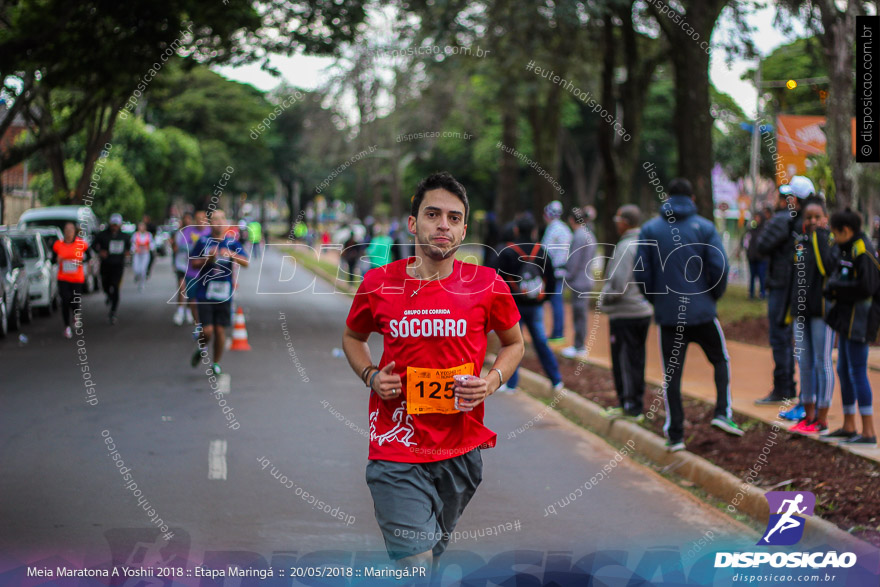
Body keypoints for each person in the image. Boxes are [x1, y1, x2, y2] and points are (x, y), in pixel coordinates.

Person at [341, 171, 524, 571]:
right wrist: (371, 375)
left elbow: (514, 343)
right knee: (416, 560)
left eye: (454, 218)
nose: (443, 225)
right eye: (433, 214)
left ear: (463, 229)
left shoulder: (488, 284)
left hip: (461, 450)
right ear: (413, 223)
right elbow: (352, 338)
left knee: (430, 557)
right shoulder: (378, 284)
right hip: (396, 445)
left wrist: (490, 382)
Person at [635, 178, 742, 452]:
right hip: (703, 312)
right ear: (692, 198)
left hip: (669, 316)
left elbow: (641, 273)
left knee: (672, 374)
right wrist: (711, 297)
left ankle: (676, 435)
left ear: (668, 198)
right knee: (720, 359)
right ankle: (722, 412)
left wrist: (658, 301)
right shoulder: (705, 227)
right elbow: (719, 266)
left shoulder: (650, 229)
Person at [755, 176, 814, 405]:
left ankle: (784, 388)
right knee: (794, 339)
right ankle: (793, 390)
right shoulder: (808, 220)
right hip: (798, 287)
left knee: (780, 336)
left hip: (782, 286)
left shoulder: (783, 220)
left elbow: (761, 246)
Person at [822, 208, 879, 446]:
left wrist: (836, 288)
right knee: (844, 370)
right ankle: (848, 425)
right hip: (846, 319)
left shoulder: (863, 250)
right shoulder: (849, 248)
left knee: (857, 371)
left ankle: (868, 431)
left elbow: (867, 287)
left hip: (860, 320)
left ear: (846, 231)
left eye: (835, 233)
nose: (834, 238)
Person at [497, 212, 564, 393]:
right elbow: (551, 278)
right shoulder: (542, 251)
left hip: (513, 307)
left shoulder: (508, 251)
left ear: (516, 230)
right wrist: (544, 298)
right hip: (535, 306)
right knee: (541, 342)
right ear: (534, 231)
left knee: (511, 344)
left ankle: (510, 384)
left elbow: (497, 279)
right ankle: (556, 380)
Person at [598, 205, 653, 420]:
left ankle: (630, 406)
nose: (616, 223)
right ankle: (635, 404)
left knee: (624, 360)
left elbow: (618, 285)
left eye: (618, 219)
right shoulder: (647, 243)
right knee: (637, 358)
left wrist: (603, 299)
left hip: (625, 312)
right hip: (643, 311)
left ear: (625, 222)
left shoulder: (625, 246)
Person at [787, 198, 837, 435]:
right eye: (809, 217)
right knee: (804, 363)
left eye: (818, 217)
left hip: (822, 312)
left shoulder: (829, 241)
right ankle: (809, 415)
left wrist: (819, 238)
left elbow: (828, 267)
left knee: (822, 362)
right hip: (801, 312)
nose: (813, 221)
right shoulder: (800, 243)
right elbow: (795, 279)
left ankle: (823, 418)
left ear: (825, 219)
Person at [189, 210, 249, 376]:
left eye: (222, 219)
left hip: (224, 293)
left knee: (220, 330)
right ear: (210, 223)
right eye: (215, 219)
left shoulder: (232, 243)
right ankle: (202, 347)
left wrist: (232, 255)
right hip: (205, 293)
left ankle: (216, 363)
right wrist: (208, 259)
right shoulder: (203, 242)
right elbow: (193, 264)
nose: (219, 222)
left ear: (226, 222)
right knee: (207, 331)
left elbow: (246, 262)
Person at [561, 207, 597, 359]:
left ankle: (579, 346)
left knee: (579, 315)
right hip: (587, 279)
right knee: (581, 314)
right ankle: (579, 344)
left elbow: (574, 261)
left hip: (579, 281)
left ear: (571, 220)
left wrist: (566, 276)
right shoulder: (589, 235)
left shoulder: (578, 236)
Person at [541, 200, 572, 344]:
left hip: (554, 272)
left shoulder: (553, 229)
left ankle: (557, 333)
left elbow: (546, 251)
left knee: (555, 302)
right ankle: (557, 332)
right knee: (557, 302)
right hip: (562, 270)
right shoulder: (565, 229)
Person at [92, 213, 131, 324]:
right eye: (113, 224)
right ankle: (108, 295)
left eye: (116, 225)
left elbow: (128, 248)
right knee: (105, 285)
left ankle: (113, 312)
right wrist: (100, 252)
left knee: (116, 287)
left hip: (118, 266)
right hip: (106, 265)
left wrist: (127, 253)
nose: (114, 227)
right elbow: (94, 245)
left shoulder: (124, 236)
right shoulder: (103, 235)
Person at [53, 222, 89, 338]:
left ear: (74, 231)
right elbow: (53, 259)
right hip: (63, 277)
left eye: (71, 229)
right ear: (64, 231)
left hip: (77, 278)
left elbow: (89, 256)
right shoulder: (58, 245)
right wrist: (57, 259)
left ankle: (75, 314)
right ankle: (66, 326)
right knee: (65, 300)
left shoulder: (81, 244)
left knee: (75, 301)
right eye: (66, 230)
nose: (69, 232)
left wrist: (80, 261)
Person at [182, 210, 212, 327]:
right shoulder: (189, 231)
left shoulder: (210, 232)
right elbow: (181, 246)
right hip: (192, 272)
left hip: (208, 272)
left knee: (206, 300)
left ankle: (206, 323)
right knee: (193, 301)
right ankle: (198, 325)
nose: (200, 221)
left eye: (202, 218)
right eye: (198, 219)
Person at [172, 213, 196, 325]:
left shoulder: (195, 234)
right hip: (181, 264)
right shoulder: (178, 234)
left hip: (192, 266)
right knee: (182, 287)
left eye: (189, 219)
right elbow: (175, 249)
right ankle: (180, 311)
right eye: (185, 219)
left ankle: (188, 310)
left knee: (190, 290)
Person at [742, 212, 768, 300]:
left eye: (758, 217)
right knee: (752, 276)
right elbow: (746, 242)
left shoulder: (765, 230)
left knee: (762, 276)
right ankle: (751, 294)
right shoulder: (751, 230)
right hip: (752, 257)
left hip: (761, 258)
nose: (756, 219)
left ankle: (762, 293)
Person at [131, 222, 154, 291]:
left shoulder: (148, 235)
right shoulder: (135, 235)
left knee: (143, 270)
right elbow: (133, 244)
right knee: (136, 269)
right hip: (137, 254)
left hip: (145, 254)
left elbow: (152, 244)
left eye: (142, 226)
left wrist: (151, 248)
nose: (141, 228)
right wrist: (133, 250)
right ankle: (137, 276)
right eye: (140, 226)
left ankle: (142, 284)